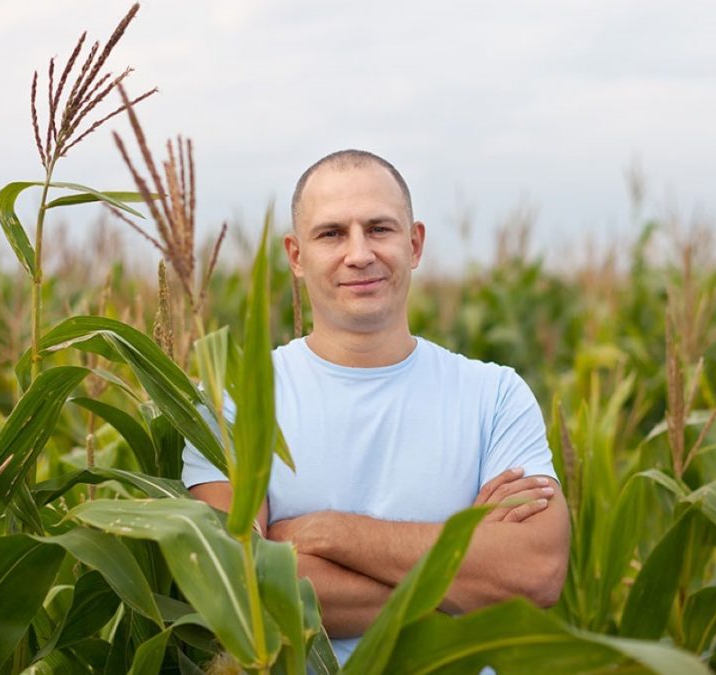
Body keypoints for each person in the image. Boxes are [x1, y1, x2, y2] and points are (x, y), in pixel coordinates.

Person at [182, 149, 570, 664]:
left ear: (415, 244)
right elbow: (240, 585)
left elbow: (534, 573)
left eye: (380, 229)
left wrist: (329, 534)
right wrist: (459, 581)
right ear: (296, 256)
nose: (359, 253)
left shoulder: (494, 395)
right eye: (332, 234)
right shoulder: (237, 397)